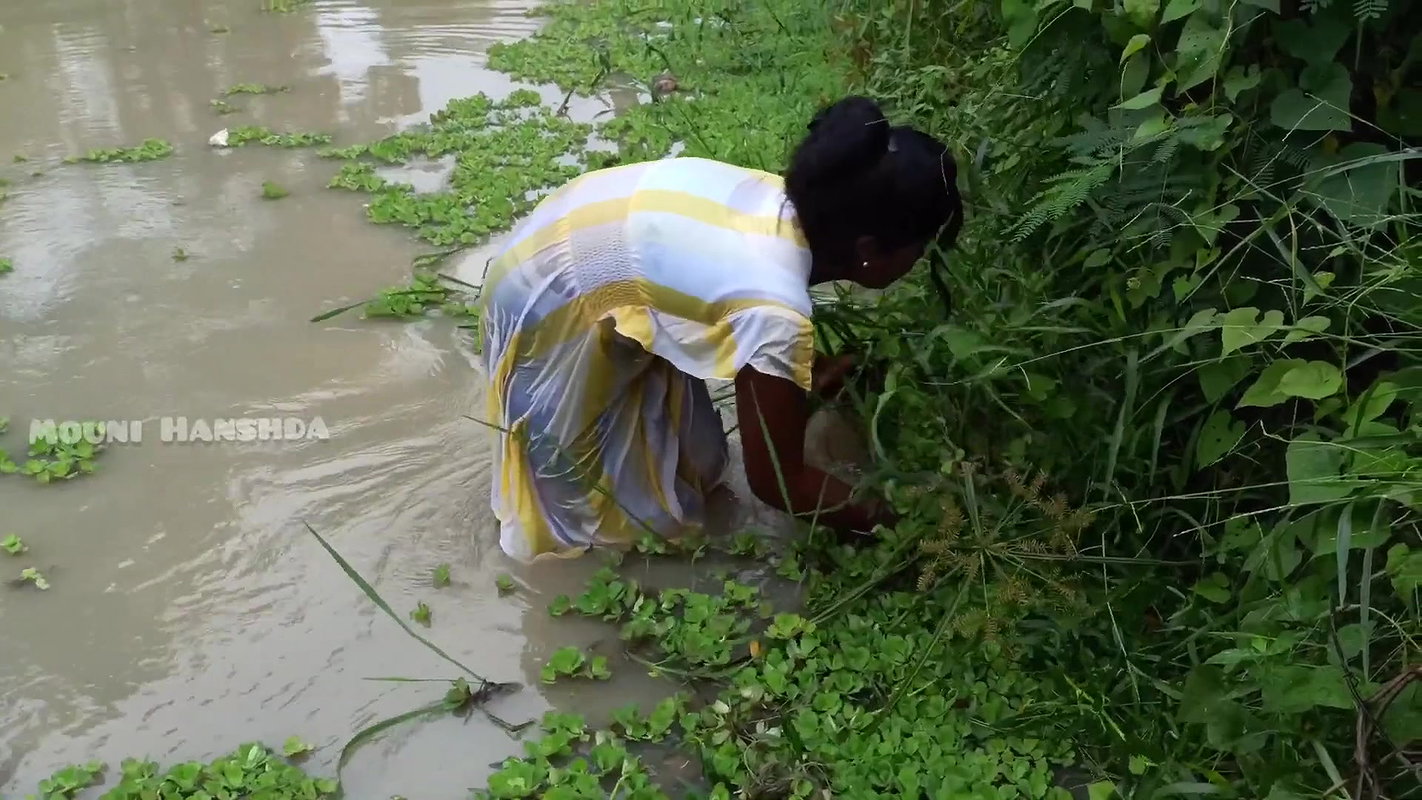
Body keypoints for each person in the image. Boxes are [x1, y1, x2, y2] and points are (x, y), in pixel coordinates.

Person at [477, 95, 962, 562]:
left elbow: (727, 295)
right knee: (588, 522)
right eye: (917, 248)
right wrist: (908, 529)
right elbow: (777, 482)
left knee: (695, 463)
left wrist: (801, 378)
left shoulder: (784, 208)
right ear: (871, 249)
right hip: (547, 293)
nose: (919, 261)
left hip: (577, 231)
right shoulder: (774, 306)